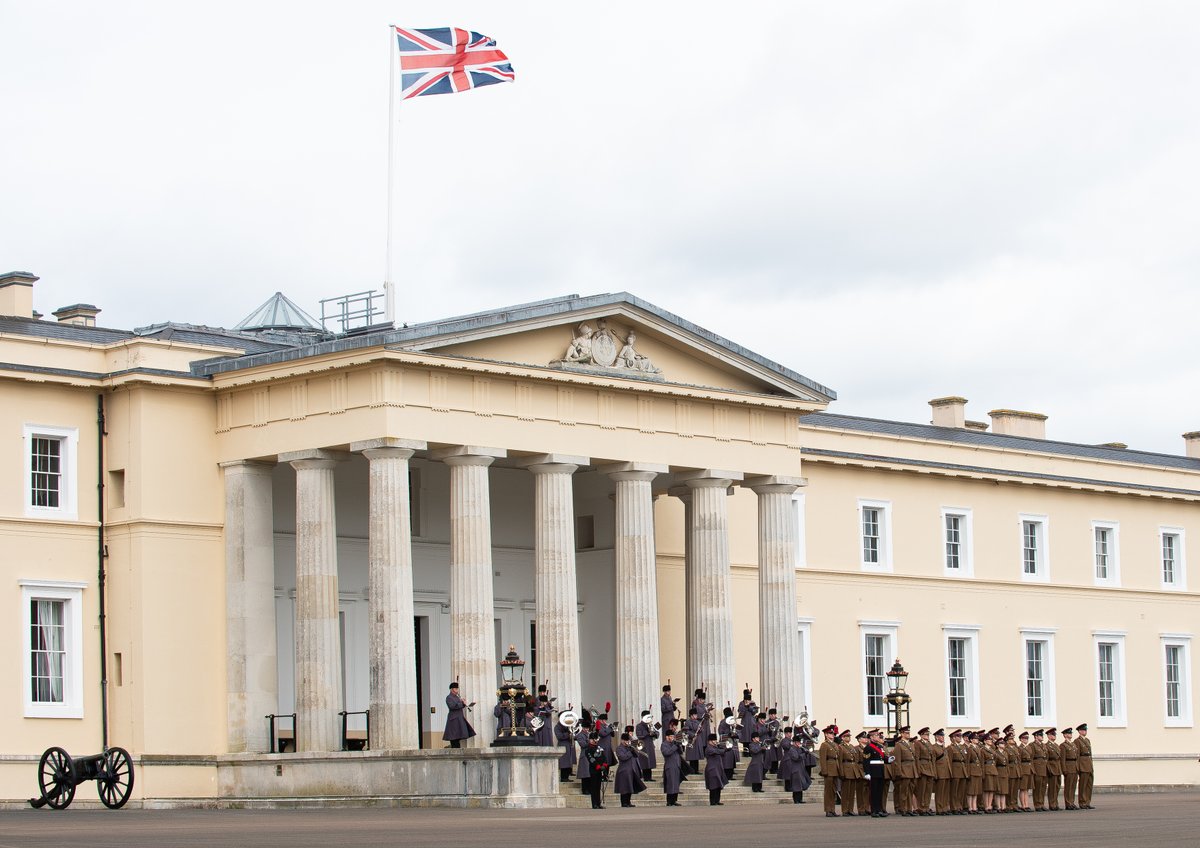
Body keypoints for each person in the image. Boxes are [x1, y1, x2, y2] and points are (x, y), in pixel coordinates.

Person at [862, 728, 893, 817]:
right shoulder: (868, 748)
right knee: (874, 792)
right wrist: (867, 772)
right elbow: (866, 761)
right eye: (875, 735)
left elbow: (882, 758)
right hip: (873, 771)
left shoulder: (880, 747)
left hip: (880, 770)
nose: (877, 737)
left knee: (880, 792)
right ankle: (874, 810)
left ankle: (879, 809)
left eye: (878, 735)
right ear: (871, 737)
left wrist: (889, 760)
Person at [614, 733, 647, 807]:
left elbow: (636, 756)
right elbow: (623, 757)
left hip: (631, 769)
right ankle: (624, 803)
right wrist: (630, 751)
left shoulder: (630, 747)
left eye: (628, 740)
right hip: (623, 770)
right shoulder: (619, 748)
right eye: (626, 740)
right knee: (624, 788)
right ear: (622, 740)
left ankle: (628, 802)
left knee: (629, 787)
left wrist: (634, 750)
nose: (627, 742)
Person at [442, 682, 475, 748]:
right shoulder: (449, 697)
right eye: (456, 689)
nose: (457, 690)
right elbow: (452, 706)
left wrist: (464, 703)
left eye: (457, 689)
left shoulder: (457, 697)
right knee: (454, 736)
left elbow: (459, 706)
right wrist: (460, 702)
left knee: (459, 735)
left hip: (459, 718)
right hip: (453, 719)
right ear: (451, 689)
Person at [581, 733, 609, 809]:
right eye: (593, 739)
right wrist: (598, 766)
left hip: (601, 769)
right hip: (594, 770)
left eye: (595, 739)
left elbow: (604, 757)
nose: (594, 741)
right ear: (590, 740)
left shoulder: (599, 747)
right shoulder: (588, 749)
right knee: (593, 787)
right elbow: (591, 759)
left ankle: (598, 803)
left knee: (598, 787)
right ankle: (594, 804)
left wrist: (604, 765)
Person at [818, 724, 841, 817]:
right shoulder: (824, 745)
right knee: (828, 791)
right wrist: (824, 771)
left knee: (833, 791)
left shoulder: (835, 745)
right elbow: (822, 759)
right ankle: (828, 809)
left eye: (833, 733)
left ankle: (832, 809)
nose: (833, 735)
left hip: (835, 768)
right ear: (826, 735)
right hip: (829, 768)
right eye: (830, 733)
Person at [660, 726, 684, 806]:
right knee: (671, 784)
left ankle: (674, 800)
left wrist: (679, 745)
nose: (672, 738)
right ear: (667, 737)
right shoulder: (664, 744)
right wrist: (675, 746)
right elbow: (667, 753)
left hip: (677, 765)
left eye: (673, 736)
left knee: (676, 783)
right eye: (670, 736)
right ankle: (669, 801)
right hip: (669, 766)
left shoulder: (674, 743)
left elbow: (681, 752)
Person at [704, 733, 728, 805]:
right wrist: (724, 750)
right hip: (712, 769)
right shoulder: (708, 748)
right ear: (709, 741)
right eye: (713, 740)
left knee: (718, 785)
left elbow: (720, 752)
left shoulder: (716, 747)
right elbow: (716, 752)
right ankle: (712, 801)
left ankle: (717, 800)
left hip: (718, 768)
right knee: (713, 786)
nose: (715, 742)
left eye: (715, 740)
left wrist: (724, 748)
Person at [932, 729, 951, 815]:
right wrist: (935, 773)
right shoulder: (934, 747)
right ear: (936, 737)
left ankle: (944, 807)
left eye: (943, 736)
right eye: (941, 736)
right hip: (940, 772)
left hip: (946, 772)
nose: (943, 737)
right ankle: (939, 809)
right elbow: (933, 762)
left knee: (946, 792)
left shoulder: (944, 747)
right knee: (940, 792)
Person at [1061, 726, 1080, 809]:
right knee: (1068, 786)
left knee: (1073, 786)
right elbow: (1062, 759)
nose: (1070, 734)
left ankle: (1072, 802)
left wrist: (1078, 767)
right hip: (1068, 766)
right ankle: (1068, 803)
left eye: (1071, 733)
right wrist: (1064, 769)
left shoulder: (1073, 745)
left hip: (1074, 766)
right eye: (1069, 733)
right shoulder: (1063, 745)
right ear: (1065, 735)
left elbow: (1077, 757)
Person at [1076, 723, 1094, 809]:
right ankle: (1082, 802)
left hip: (1089, 764)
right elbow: (1077, 755)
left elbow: (1090, 754)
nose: (1085, 731)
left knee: (1089, 784)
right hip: (1083, 764)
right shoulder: (1077, 741)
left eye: (1085, 730)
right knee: (1083, 785)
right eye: (1083, 730)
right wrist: (1078, 767)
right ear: (1079, 731)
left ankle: (1087, 802)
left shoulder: (1087, 740)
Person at [635, 713, 658, 780]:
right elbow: (639, 735)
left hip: (650, 745)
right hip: (643, 745)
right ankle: (645, 777)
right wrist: (648, 733)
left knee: (650, 761)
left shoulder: (650, 725)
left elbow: (656, 734)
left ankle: (649, 777)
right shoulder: (639, 726)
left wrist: (654, 733)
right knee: (644, 762)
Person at [554, 711, 576, 782]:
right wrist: (568, 734)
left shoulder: (568, 726)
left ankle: (567, 776)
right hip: (563, 745)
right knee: (564, 762)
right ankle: (563, 777)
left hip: (569, 744)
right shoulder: (557, 727)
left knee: (569, 762)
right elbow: (559, 736)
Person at [1030, 728, 1048, 811]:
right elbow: (1031, 758)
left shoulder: (1043, 745)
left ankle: (1041, 803)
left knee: (1043, 787)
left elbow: (1046, 756)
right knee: (1037, 787)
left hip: (1044, 768)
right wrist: (1033, 770)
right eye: (1040, 735)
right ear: (1036, 736)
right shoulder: (1032, 745)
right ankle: (1037, 804)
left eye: (1042, 735)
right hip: (1037, 768)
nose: (1042, 737)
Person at [1045, 728, 1063, 811]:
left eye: (1055, 734)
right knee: (1052, 787)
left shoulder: (1056, 745)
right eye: (1052, 734)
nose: (1054, 736)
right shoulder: (1046, 746)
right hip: (1052, 767)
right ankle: (1052, 804)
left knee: (1057, 786)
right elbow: (1047, 759)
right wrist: (1049, 769)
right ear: (1048, 736)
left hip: (1058, 767)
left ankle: (1056, 804)